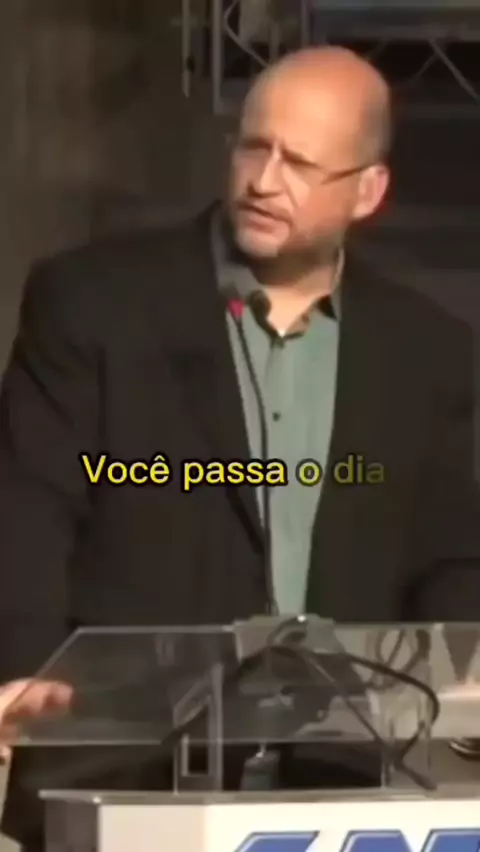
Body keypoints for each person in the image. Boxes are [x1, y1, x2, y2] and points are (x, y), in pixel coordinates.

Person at [0, 45, 480, 849]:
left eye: (301, 164)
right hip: (122, 772)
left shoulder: (428, 349)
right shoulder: (92, 303)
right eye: (255, 148)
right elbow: (28, 507)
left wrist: (464, 676)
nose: (263, 180)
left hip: (342, 780)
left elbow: (452, 551)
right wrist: (27, 676)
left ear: (368, 190)